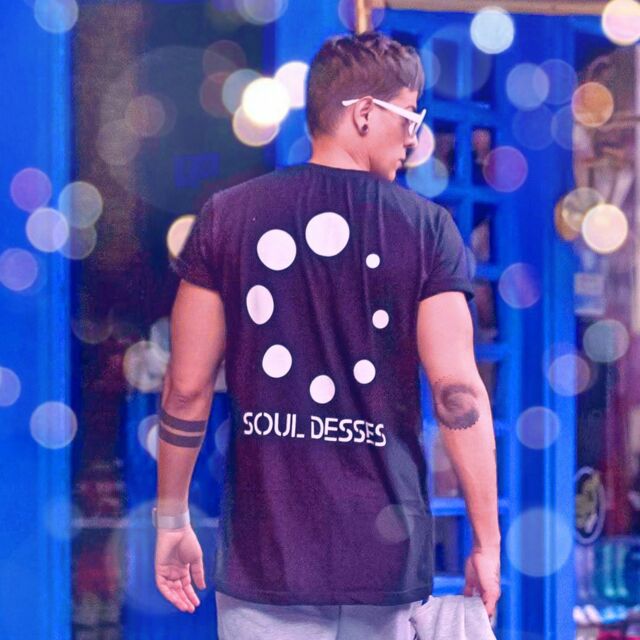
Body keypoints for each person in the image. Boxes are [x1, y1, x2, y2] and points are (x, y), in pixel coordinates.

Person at [153, 30, 501, 640]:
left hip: (266, 560)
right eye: (409, 117)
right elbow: (457, 392)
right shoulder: (427, 229)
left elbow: (186, 388)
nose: (414, 139)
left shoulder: (227, 217)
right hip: (383, 558)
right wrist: (486, 541)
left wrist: (171, 518)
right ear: (364, 113)